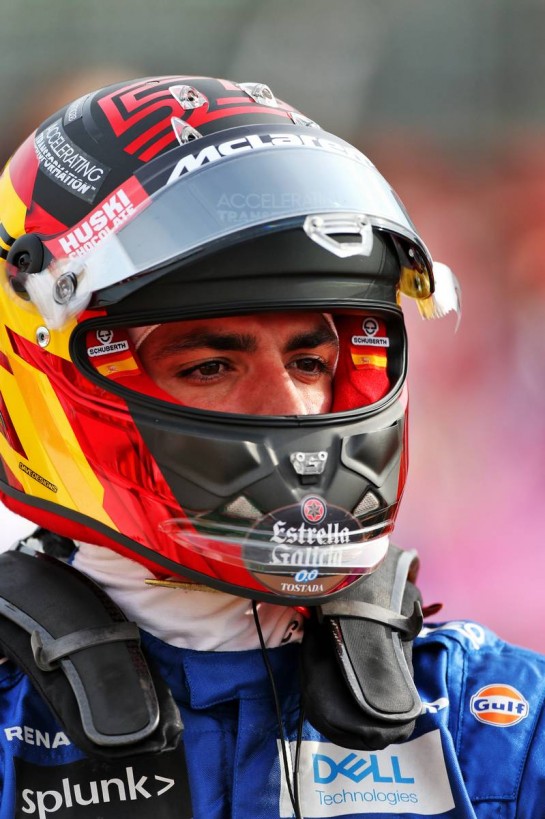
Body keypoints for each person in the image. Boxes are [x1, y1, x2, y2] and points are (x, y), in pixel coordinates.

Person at [0, 75, 542, 819]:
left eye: (310, 362)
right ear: (52, 378)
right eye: (211, 366)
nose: (288, 406)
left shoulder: (490, 723)